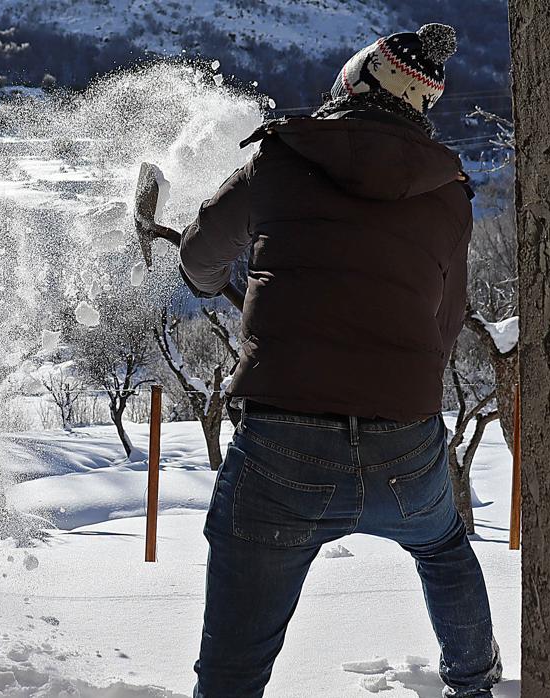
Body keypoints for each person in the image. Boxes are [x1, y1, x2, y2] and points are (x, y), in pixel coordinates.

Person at [176, 23, 503, 698]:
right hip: (406, 446)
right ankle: (474, 683)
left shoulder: (278, 159)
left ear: (349, 83)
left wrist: (211, 283)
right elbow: (443, 326)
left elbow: (202, 255)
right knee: (442, 546)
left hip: (283, 448)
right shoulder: (450, 195)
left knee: (233, 673)